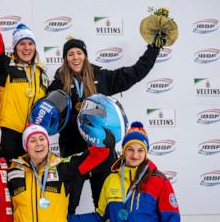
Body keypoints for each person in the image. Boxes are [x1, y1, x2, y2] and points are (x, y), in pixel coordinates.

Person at [48, 36, 163, 212]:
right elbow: (51, 118)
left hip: (103, 154)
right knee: (67, 208)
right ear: (65, 58)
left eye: (79, 53)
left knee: (108, 208)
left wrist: (154, 48)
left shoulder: (101, 77)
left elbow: (134, 73)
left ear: (85, 55)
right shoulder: (58, 84)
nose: (75, 57)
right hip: (73, 154)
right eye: (70, 54)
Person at [0, 0, 49, 163]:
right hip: (9, 134)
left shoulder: (41, 73)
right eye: (21, 44)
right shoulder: (5, 65)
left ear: (35, 47)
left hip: (34, 137)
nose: (26, 48)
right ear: (15, 47)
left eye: (30, 44)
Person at [68, 121, 181, 222]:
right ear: (123, 151)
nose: (135, 155)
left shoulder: (159, 181)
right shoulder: (111, 179)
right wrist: (67, 219)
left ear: (146, 153)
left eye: (140, 150)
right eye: (130, 149)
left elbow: (172, 218)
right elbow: (100, 217)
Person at [7, 124, 116, 222]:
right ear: (26, 146)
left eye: (42, 139)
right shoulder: (14, 171)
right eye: (32, 140)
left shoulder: (62, 166)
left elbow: (97, 155)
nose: (38, 143)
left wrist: (104, 140)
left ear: (48, 143)